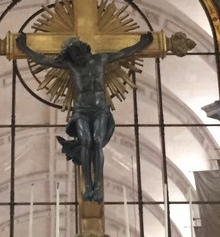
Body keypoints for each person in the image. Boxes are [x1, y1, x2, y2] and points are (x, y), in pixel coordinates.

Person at [15, 31, 152, 201]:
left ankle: (98, 186)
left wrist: (141, 44)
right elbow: (43, 60)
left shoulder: (101, 59)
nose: (77, 58)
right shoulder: (71, 66)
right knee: (86, 141)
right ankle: (88, 185)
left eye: (77, 53)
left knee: (97, 141)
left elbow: (123, 53)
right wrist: (24, 47)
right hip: (81, 110)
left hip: (100, 108)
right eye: (73, 55)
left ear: (84, 49)